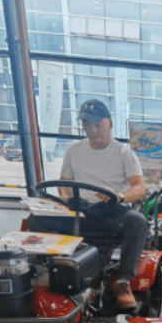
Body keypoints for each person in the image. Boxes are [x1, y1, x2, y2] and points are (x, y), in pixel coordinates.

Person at [57, 99, 148, 309]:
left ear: (110, 124)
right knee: (35, 220)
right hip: (79, 208)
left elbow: (139, 187)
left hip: (110, 209)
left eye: (98, 124)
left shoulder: (124, 154)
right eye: (87, 124)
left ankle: (123, 281)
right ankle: (45, 274)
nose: (93, 129)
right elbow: (64, 183)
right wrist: (64, 197)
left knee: (138, 221)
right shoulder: (73, 151)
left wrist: (120, 196)